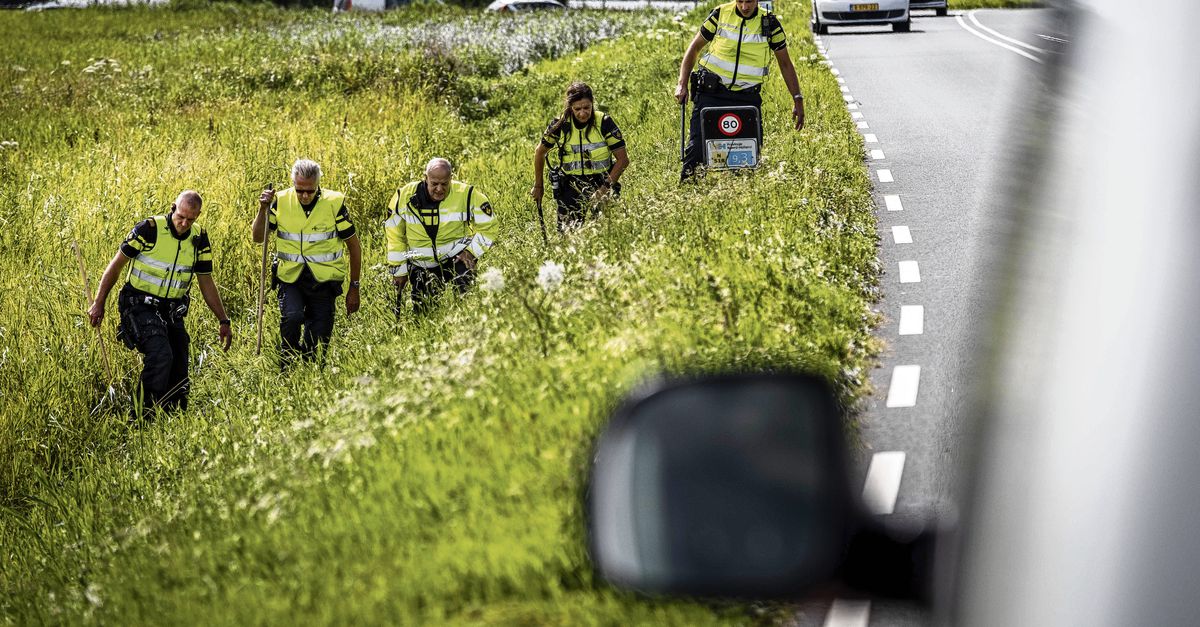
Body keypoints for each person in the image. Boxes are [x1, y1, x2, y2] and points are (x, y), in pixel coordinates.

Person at [88, 190, 233, 418]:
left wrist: (223, 319)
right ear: (173, 207)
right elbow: (116, 266)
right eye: (180, 216)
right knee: (160, 353)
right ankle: (140, 420)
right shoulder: (149, 229)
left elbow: (206, 281)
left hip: (171, 309)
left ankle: (172, 419)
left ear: (198, 216)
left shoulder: (199, 238)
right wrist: (99, 302)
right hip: (138, 304)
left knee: (179, 361)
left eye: (191, 219)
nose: (184, 223)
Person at [675, 0, 805, 180]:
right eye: (740, 1)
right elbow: (695, 47)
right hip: (712, 94)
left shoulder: (769, 23)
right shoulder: (720, 14)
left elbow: (785, 63)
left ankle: (742, 200)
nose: (744, 7)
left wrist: (797, 98)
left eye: (749, 1)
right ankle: (688, 197)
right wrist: (682, 84)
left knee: (748, 160)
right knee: (697, 152)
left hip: (746, 99)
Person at [253, 159, 362, 368]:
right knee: (292, 317)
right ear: (293, 183)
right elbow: (259, 237)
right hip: (290, 278)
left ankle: (310, 373)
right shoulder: (280, 201)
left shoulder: (334, 203)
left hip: (324, 282)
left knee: (317, 344)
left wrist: (354, 287)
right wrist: (262, 210)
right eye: (299, 190)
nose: (304, 196)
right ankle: (287, 367)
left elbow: (354, 247)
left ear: (318, 185)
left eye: (310, 191)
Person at [385, 158, 497, 313]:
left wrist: (471, 252)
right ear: (425, 178)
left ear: (451, 178)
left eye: (444, 184)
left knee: (467, 307)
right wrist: (399, 271)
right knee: (423, 315)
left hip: (456, 259)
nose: (439, 189)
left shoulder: (466, 194)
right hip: (422, 265)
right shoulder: (404, 196)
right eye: (434, 183)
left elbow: (489, 227)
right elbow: (394, 235)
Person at [531, 82, 630, 232]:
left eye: (586, 108)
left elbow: (623, 160)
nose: (582, 113)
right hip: (571, 186)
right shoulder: (560, 124)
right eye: (577, 109)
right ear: (569, 107)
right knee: (568, 237)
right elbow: (540, 152)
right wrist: (539, 186)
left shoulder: (604, 122)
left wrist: (604, 188)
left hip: (603, 181)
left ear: (592, 104)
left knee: (606, 232)